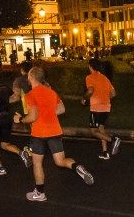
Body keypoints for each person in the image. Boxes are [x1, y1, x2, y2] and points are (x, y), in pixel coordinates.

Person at [17, 66, 94, 202]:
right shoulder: (52, 93)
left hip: (39, 134)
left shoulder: (30, 95)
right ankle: (76, 166)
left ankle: (40, 193)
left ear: (30, 77)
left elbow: (33, 117)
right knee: (60, 161)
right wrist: (47, 113)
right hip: (55, 131)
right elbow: (62, 109)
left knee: (37, 163)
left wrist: (21, 119)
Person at [84, 58, 120, 159]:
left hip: (96, 108)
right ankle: (105, 152)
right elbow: (113, 93)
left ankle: (113, 140)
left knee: (93, 131)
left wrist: (84, 98)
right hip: (106, 108)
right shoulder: (104, 78)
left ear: (90, 66)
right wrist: (104, 98)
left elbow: (90, 90)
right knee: (101, 129)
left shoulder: (89, 77)